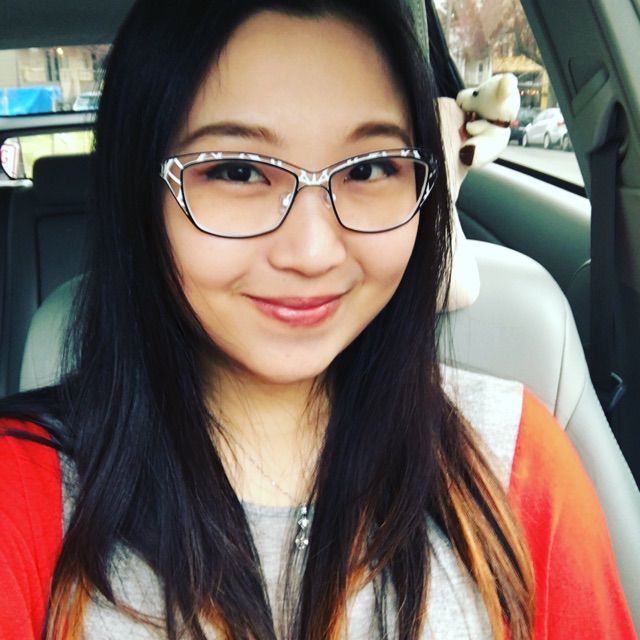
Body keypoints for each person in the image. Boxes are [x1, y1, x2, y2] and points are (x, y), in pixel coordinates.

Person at [0, 1, 635, 639]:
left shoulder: (516, 463)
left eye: (368, 169)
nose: (312, 253)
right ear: (140, 193)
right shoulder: (17, 489)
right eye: (238, 171)